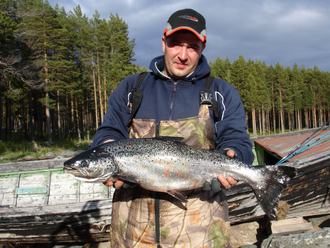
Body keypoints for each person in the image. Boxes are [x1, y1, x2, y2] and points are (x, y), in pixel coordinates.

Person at [93, 8, 254, 248]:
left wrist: (235, 155)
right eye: (175, 44)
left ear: (203, 48)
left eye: (192, 47)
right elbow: (109, 132)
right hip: (134, 233)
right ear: (163, 42)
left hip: (201, 232)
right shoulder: (132, 88)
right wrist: (107, 151)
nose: (183, 55)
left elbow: (238, 139)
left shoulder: (221, 92)